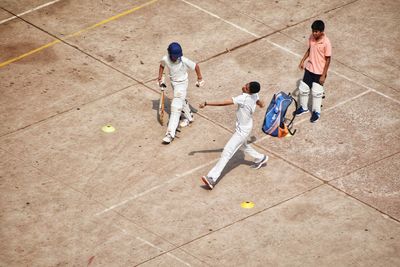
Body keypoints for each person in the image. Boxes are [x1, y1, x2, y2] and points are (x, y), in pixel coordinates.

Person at [199, 81, 268, 190]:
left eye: (246, 87)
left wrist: (207, 103)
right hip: (247, 127)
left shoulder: (244, 98)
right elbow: (258, 100)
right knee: (244, 146)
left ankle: (212, 178)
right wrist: (260, 104)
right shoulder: (254, 94)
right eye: (246, 84)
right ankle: (261, 158)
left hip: (242, 131)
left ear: (249, 91)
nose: (244, 86)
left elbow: (224, 102)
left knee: (227, 152)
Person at [158, 42, 204, 144]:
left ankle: (170, 134)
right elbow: (162, 66)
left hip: (182, 84)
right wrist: (160, 77)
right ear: (170, 54)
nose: (176, 58)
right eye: (175, 56)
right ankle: (189, 117)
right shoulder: (166, 59)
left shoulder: (183, 60)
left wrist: (200, 78)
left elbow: (196, 66)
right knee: (180, 100)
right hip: (174, 83)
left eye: (178, 56)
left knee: (175, 107)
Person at [294, 20, 332, 123]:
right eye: (313, 31)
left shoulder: (326, 42)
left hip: (319, 71)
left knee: (317, 93)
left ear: (322, 31)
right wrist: (302, 60)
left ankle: (316, 112)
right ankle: (304, 108)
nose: (314, 33)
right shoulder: (311, 37)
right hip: (309, 68)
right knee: (303, 89)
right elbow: (310, 49)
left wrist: (323, 75)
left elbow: (328, 59)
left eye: (316, 31)